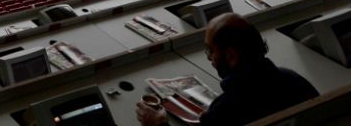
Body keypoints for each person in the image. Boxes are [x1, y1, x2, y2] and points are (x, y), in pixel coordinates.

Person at [134, 13, 318, 126]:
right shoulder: (294, 80)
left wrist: (158, 125)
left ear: (231, 56)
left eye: (211, 50)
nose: (208, 57)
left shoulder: (225, 110)